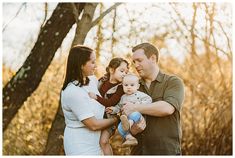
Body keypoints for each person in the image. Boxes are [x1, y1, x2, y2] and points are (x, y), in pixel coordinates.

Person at [122, 43, 185, 155]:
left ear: (153, 58)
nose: (136, 65)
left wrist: (135, 107)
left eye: (139, 60)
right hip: (138, 153)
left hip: (166, 152)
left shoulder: (172, 82)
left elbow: (167, 108)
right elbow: (124, 117)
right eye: (134, 62)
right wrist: (133, 130)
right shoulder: (131, 87)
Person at [61, 45, 118, 155]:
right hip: (80, 145)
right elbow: (93, 124)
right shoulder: (72, 91)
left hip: (98, 142)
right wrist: (117, 118)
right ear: (81, 65)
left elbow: (105, 96)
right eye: (92, 62)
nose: (95, 66)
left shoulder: (92, 80)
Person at [88, 57, 129, 155]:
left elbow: (111, 102)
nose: (124, 74)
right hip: (97, 116)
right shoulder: (102, 81)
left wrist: (96, 97)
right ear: (111, 70)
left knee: (103, 141)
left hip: (110, 118)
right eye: (122, 71)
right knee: (95, 143)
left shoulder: (120, 88)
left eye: (126, 72)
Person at [106, 74, 152, 147]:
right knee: (120, 127)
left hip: (138, 118)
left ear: (138, 86)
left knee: (135, 114)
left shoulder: (140, 95)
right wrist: (113, 109)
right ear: (123, 86)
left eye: (132, 85)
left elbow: (149, 99)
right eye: (126, 85)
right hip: (126, 119)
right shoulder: (123, 97)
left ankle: (128, 124)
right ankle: (129, 138)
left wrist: (138, 104)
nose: (129, 87)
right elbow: (119, 107)